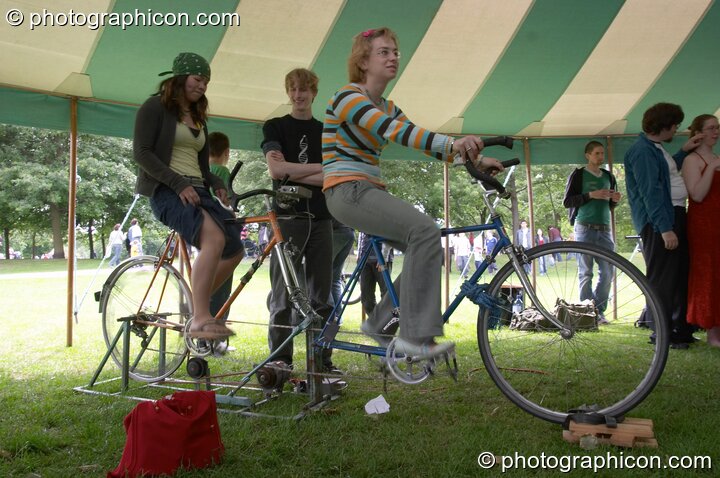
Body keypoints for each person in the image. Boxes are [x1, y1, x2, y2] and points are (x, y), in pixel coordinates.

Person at [322, 27, 503, 358]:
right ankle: (416, 337)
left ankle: (379, 323)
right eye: (384, 52)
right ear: (363, 61)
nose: (393, 57)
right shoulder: (348, 97)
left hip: (364, 190)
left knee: (426, 244)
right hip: (346, 190)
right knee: (424, 230)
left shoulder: (389, 106)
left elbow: (428, 145)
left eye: (395, 52)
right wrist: (453, 143)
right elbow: (393, 131)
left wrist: (475, 158)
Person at [133, 52, 243, 340]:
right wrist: (178, 183)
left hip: (198, 190)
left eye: (206, 81)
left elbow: (203, 168)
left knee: (234, 248)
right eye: (197, 79)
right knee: (214, 239)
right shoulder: (154, 108)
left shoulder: (198, 118)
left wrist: (217, 183)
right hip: (167, 190)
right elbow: (141, 153)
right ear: (180, 78)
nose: (202, 86)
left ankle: (196, 305)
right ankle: (201, 318)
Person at [261, 68, 338, 373]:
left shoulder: (327, 130)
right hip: (288, 218)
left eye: (304, 89)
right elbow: (276, 173)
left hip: (322, 219)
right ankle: (280, 360)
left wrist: (295, 171)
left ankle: (322, 361)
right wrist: (318, 169)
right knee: (283, 294)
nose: (298, 95)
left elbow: (333, 175)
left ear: (314, 92)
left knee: (324, 296)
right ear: (287, 92)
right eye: (293, 89)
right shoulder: (275, 126)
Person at [624, 102, 702, 349]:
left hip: (672, 216)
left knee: (678, 276)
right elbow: (651, 192)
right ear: (664, 126)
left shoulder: (655, 149)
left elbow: (665, 176)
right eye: (675, 125)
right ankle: (661, 332)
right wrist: (665, 228)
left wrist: (682, 152)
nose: (676, 130)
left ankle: (679, 330)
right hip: (659, 221)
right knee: (663, 279)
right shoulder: (642, 151)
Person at [563, 141, 621, 323]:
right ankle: (586, 312)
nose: (600, 157)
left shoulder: (609, 176)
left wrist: (615, 200)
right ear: (587, 155)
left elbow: (610, 204)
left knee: (607, 271)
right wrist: (590, 195)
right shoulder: (579, 175)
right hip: (584, 227)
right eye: (597, 153)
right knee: (586, 272)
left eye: (602, 153)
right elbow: (568, 201)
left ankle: (598, 310)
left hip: (604, 229)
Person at [682, 114, 720, 347]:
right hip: (704, 224)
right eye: (711, 128)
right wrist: (713, 167)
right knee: (708, 274)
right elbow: (696, 194)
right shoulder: (691, 160)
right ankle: (712, 332)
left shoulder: (715, 157)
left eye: (717, 128)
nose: (715, 132)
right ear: (699, 133)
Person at [207, 132, 235, 325]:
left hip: (203, 229)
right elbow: (224, 201)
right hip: (220, 229)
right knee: (223, 284)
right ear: (227, 152)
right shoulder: (222, 172)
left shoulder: (203, 169)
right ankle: (217, 328)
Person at [357, 231, 394, 315]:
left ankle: (386, 323)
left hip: (382, 259)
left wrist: (383, 258)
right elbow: (361, 234)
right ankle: (375, 322)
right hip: (364, 260)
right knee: (366, 297)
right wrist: (359, 255)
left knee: (386, 295)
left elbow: (389, 233)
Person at [330, 219, 355, 308]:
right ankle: (336, 316)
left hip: (336, 231)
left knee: (322, 276)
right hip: (349, 232)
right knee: (335, 279)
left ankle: (328, 316)